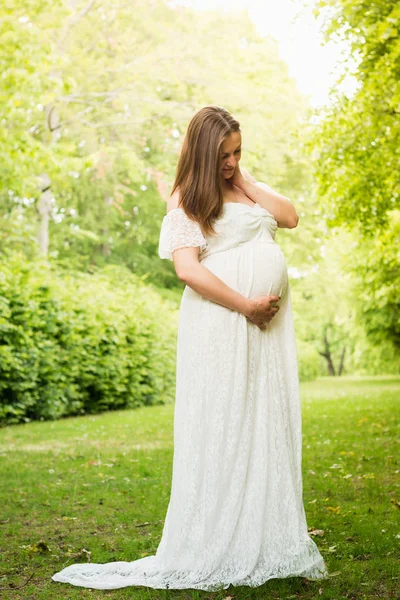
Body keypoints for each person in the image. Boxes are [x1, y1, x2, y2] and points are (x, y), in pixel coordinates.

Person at [52, 105, 329, 591]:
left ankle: (261, 531)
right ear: (202, 152)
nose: (232, 161)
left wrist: (244, 178)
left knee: (263, 419)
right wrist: (245, 304)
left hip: (264, 329)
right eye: (224, 154)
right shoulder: (187, 197)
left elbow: (291, 217)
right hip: (222, 322)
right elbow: (188, 270)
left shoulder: (244, 184)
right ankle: (219, 534)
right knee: (226, 422)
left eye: (238, 151)